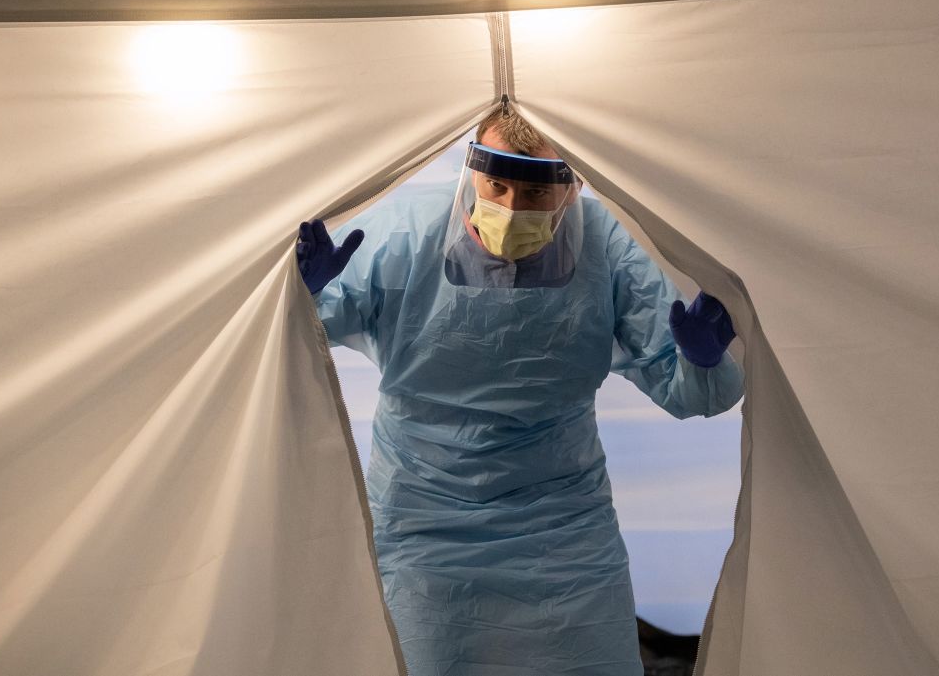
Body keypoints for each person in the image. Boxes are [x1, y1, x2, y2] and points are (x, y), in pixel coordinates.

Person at [296, 107, 744, 676]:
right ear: (471, 168)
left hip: (561, 527)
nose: (510, 209)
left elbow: (685, 390)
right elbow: (303, 336)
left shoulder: (609, 250)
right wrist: (300, 299)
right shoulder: (404, 236)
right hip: (423, 522)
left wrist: (702, 361)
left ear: (576, 184)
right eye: (497, 184)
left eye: (535, 193)